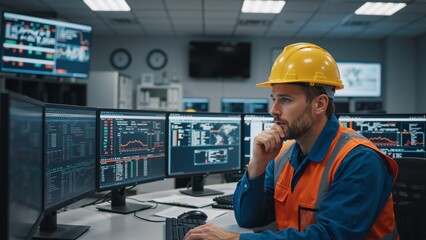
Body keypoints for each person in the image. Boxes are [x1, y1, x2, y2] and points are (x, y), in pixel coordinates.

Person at [184, 42, 399, 240]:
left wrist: (235, 239)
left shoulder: (359, 160)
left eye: (285, 100)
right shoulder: (283, 155)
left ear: (319, 104)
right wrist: (257, 166)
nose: (273, 111)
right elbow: (249, 219)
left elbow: (330, 236)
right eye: (274, 99)